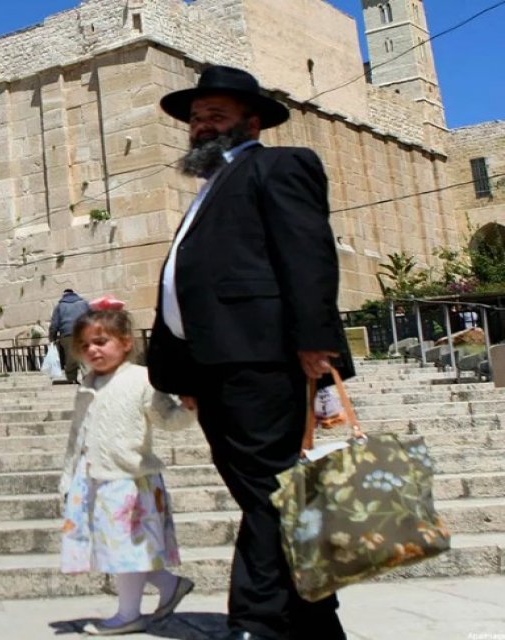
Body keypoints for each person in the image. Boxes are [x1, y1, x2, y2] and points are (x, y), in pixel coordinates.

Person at [147, 65, 354, 640]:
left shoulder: (279, 165)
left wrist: (315, 342)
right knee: (261, 492)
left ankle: (257, 622)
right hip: (211, 366)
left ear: (252, 121)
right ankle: (314, 618)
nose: (200, 126)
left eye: (215, 115)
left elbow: (307, 252)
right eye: (195, 118)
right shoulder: (209, 188)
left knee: (270, 491)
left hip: (260, 357)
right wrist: (181, 370)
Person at [58, 296, 196, 636]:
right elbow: (78, 435)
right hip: (95, 479)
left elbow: (167, 419)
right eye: (85, 345)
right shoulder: (88, 385)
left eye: (101, 342)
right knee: (117, 548)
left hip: (130, 481)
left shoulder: (141, 380)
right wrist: (68, 476)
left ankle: (128, 614)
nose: (92, 350)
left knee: (124, 549)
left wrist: (191, 406)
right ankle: (169, 585)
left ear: (125, 343)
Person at [49, 288, 91, 383]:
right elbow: (92, 317)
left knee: (70, 358)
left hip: (67, 334)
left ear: (64, 296)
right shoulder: (84, 303)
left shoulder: (60, 306)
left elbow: (54, 324)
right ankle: (88, 378)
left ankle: (72, 379)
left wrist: (52, 337)